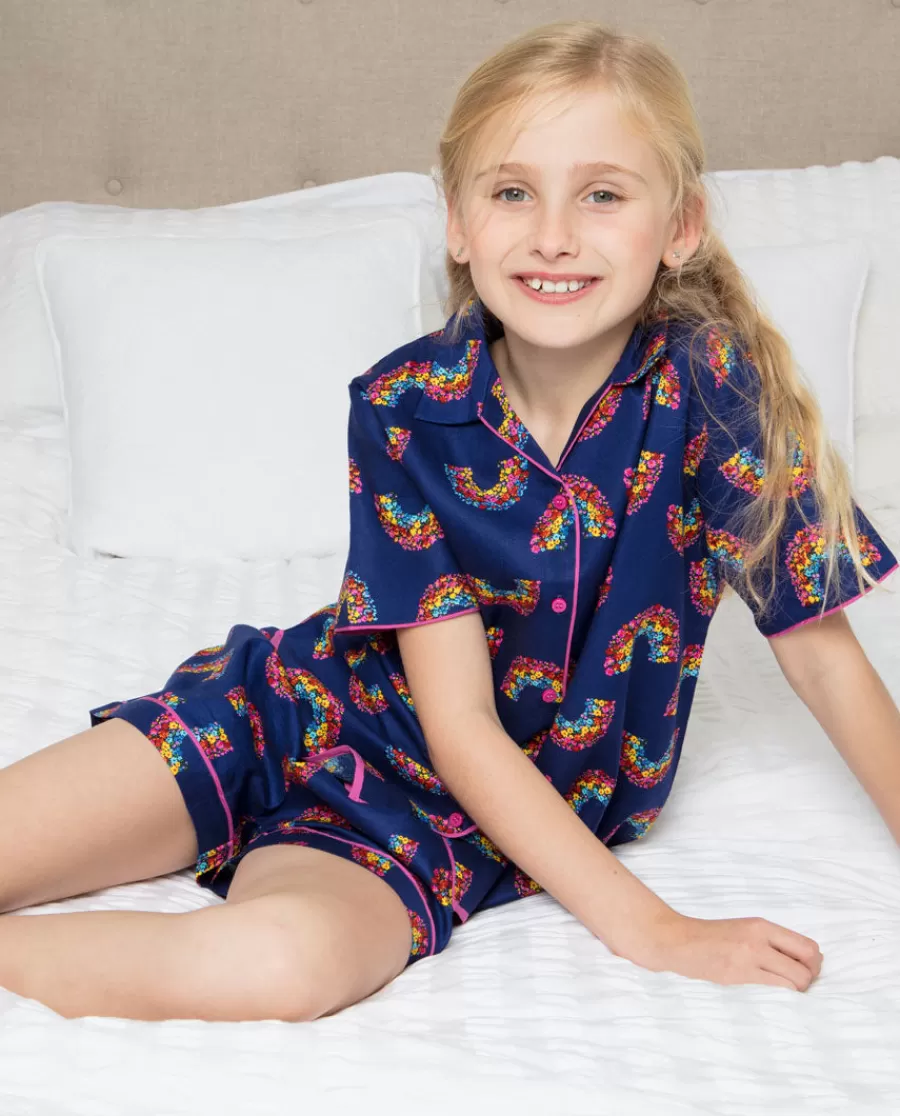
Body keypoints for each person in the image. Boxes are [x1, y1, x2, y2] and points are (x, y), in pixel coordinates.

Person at [1, 20, 897, 1024]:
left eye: (602, 195)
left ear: (680, 226)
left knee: (281, 967)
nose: (553, 235)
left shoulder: (716, 394)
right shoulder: (402, 404)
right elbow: (460, 715)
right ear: (459, 223)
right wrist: (651, 928)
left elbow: (825, 662)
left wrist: (660, 928)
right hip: (276, 714)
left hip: (435, 822)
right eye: (512, 192)